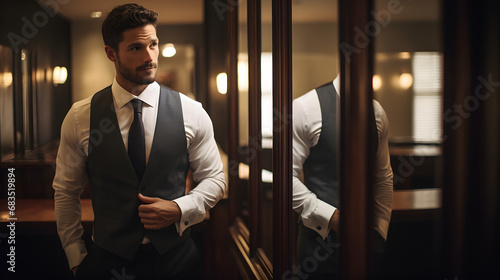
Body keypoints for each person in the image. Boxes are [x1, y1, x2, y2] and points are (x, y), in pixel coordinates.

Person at [52, 3, 225, 279]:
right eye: (136, 48)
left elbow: (216, 181)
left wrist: (180, 208)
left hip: (177, 261)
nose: (150, 56)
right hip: (105, 264)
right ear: (112, 53)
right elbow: (65, 192)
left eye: (153, 45)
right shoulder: (79, 117)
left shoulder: (191, 112)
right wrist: (75, 258)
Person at [292, 75, 393, 279]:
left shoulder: (377, 112)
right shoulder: (305, 108)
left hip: (367, 244)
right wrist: (330, 216)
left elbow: (383, 176)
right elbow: (284, 178)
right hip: (318, 245)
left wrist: (380, 232)